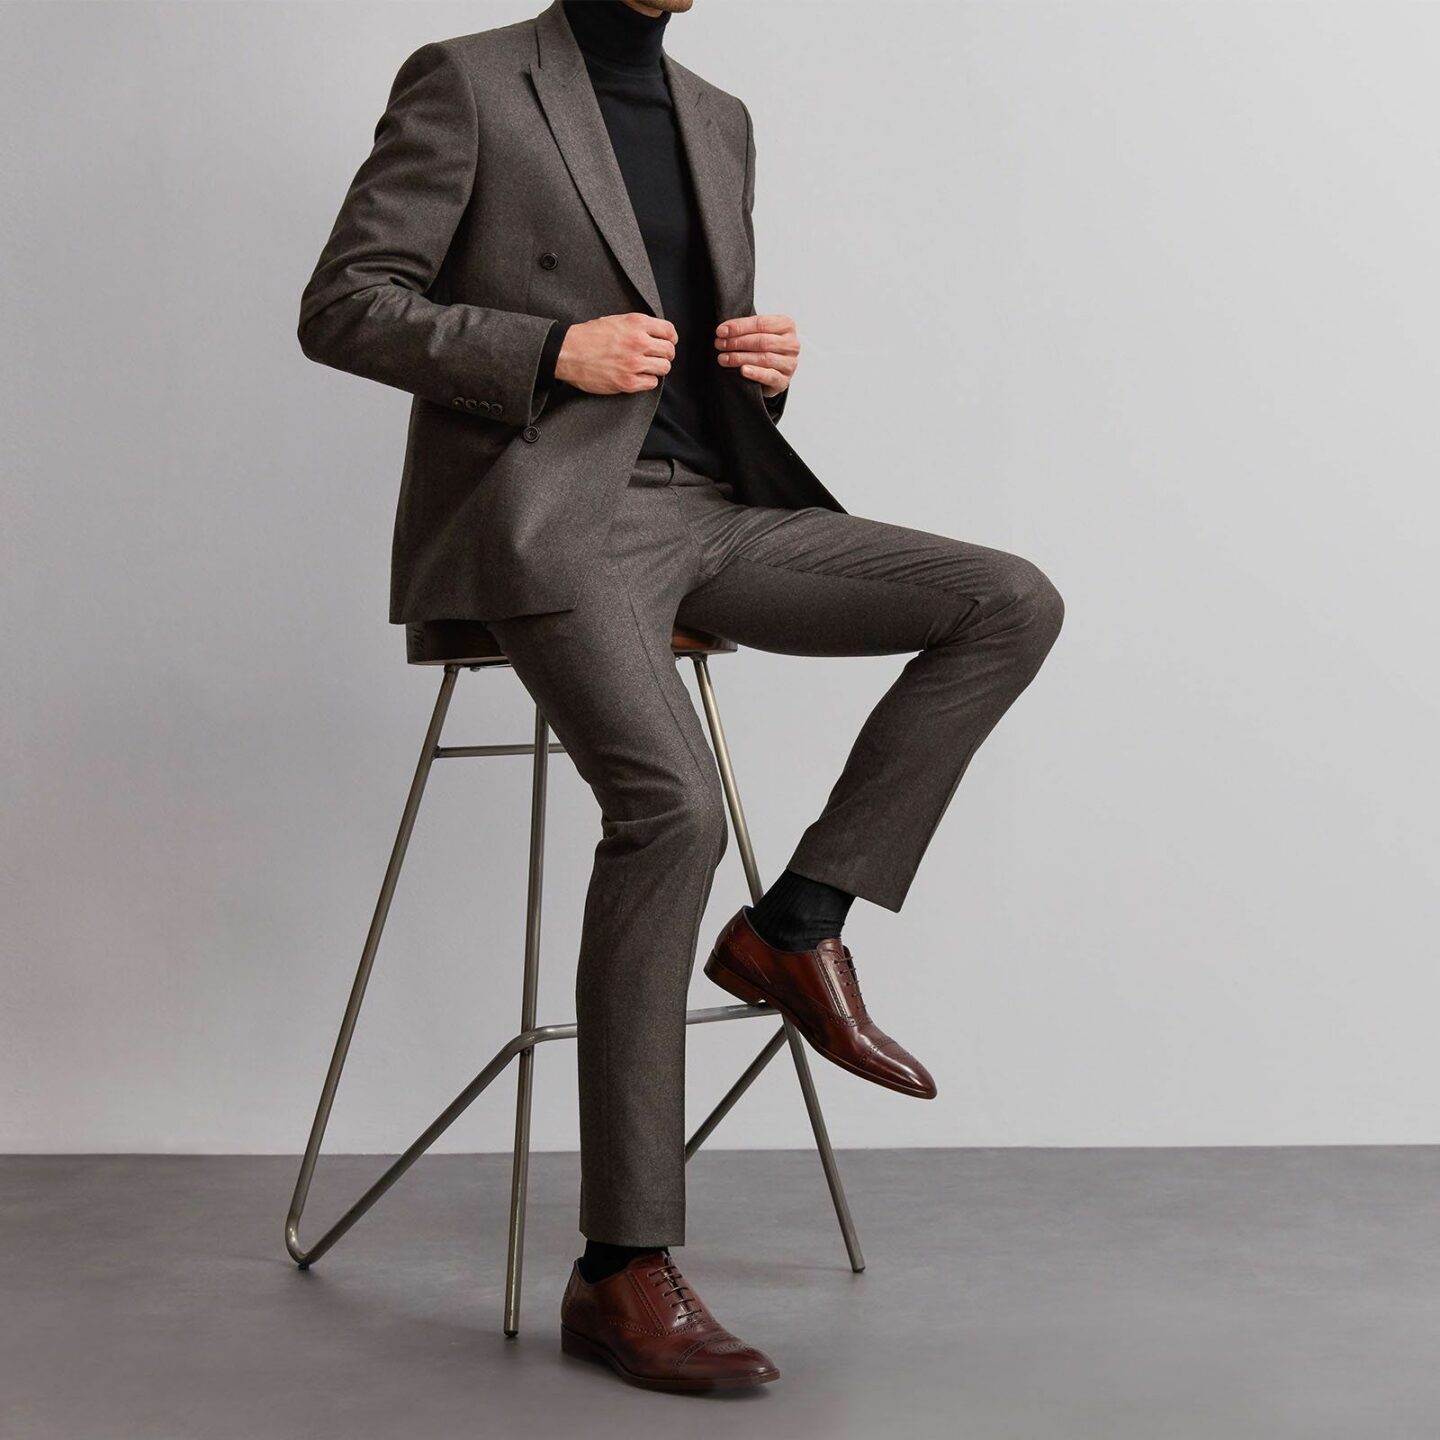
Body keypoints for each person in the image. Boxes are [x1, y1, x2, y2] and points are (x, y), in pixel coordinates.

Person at [298, 0, 1064, 1393]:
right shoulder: (468, 81)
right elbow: (345, 305)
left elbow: (690, 375)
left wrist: (755, 374)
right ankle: (621, 1268)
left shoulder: (719, 115)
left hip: (711, 514)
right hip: (553, 522)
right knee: (672, 814)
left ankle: (797, 928)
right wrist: (546, 352)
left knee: (1006, 599)